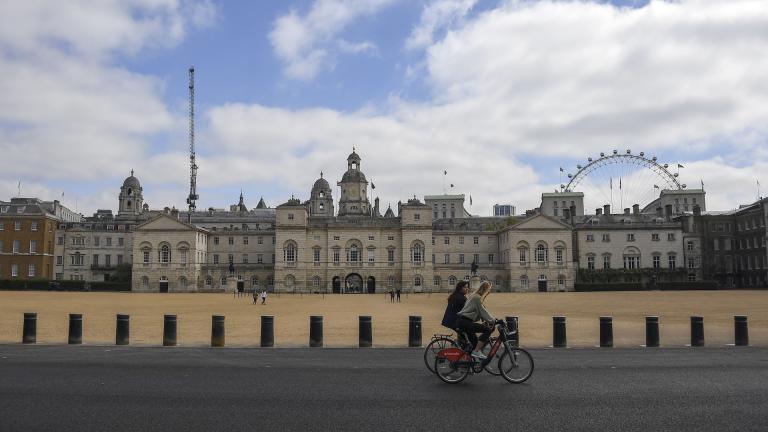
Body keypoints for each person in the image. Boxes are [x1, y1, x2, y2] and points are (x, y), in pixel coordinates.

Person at [455, 281, 495, 359]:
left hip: (462, 321)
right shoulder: (477, 298)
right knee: (487, 331)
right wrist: (493, 320)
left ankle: (468, 363)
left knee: (475, 342)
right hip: (465, 322)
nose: (489, 292)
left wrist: (486, 319)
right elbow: (482, 311)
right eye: (488, 290)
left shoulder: (473, 296)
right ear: (485, 289)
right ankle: (476, 352)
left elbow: (479, 311)